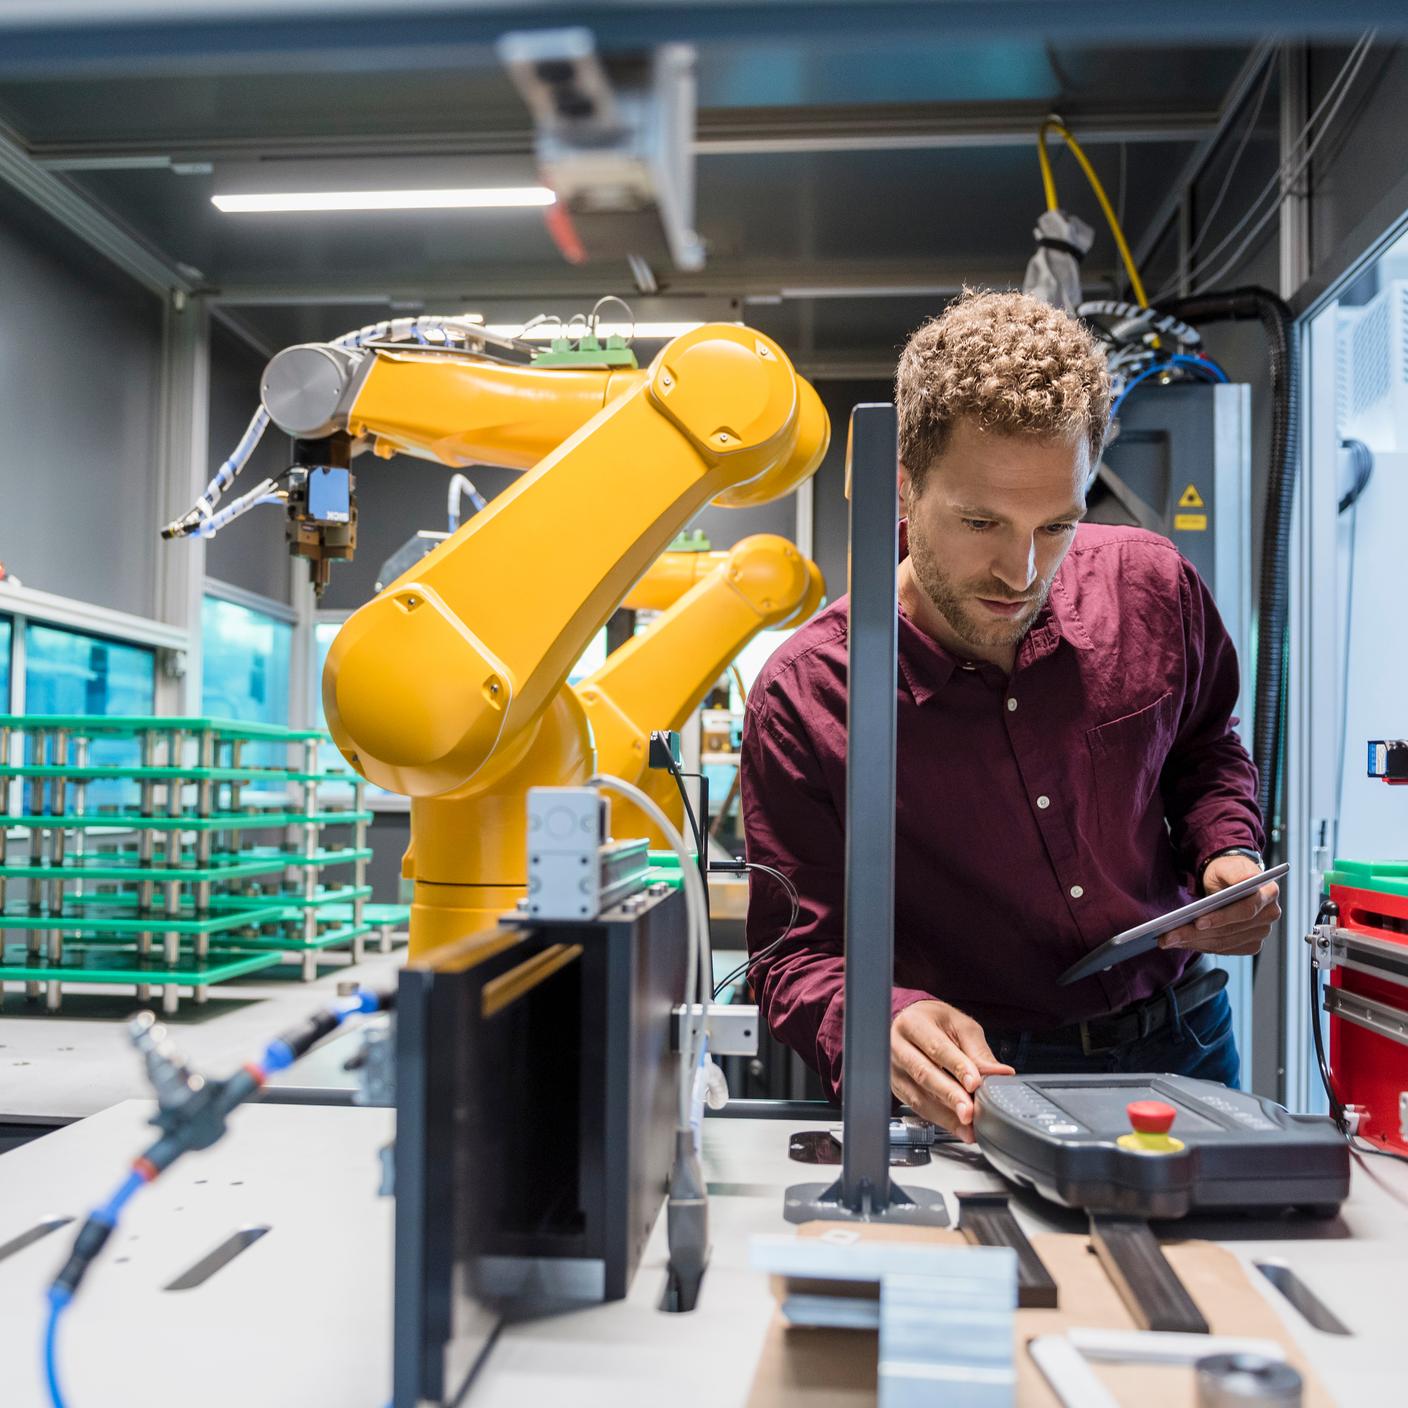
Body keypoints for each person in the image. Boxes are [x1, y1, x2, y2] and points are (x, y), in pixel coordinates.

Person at [740, 288, 1279, 1142]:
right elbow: (792, 959)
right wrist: (880, 1019)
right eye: (982, 521)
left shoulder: (1152, 587)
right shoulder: (807, 696)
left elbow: (1207, 747)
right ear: (905, 490)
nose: (1020, 571)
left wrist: (1228, 849)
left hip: (1182, 1039)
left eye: (1056, 524)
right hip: (982, 1076)